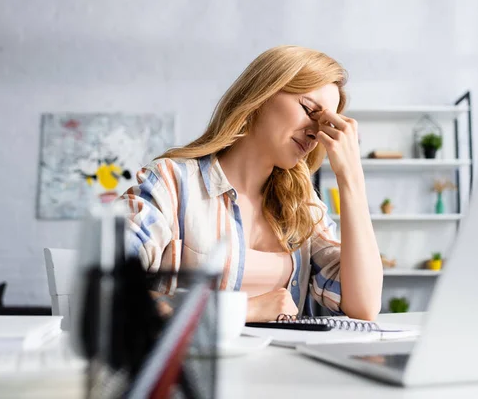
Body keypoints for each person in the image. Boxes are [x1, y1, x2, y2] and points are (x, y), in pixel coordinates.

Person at [118, 45, 383, 322]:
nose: (315, 132)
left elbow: (362, 306)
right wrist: (246, 310)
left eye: (326, 123)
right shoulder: (171, 184)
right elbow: (112, 289)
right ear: (261, 95)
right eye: (309, 110)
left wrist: (351, 178)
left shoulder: (303, 204)